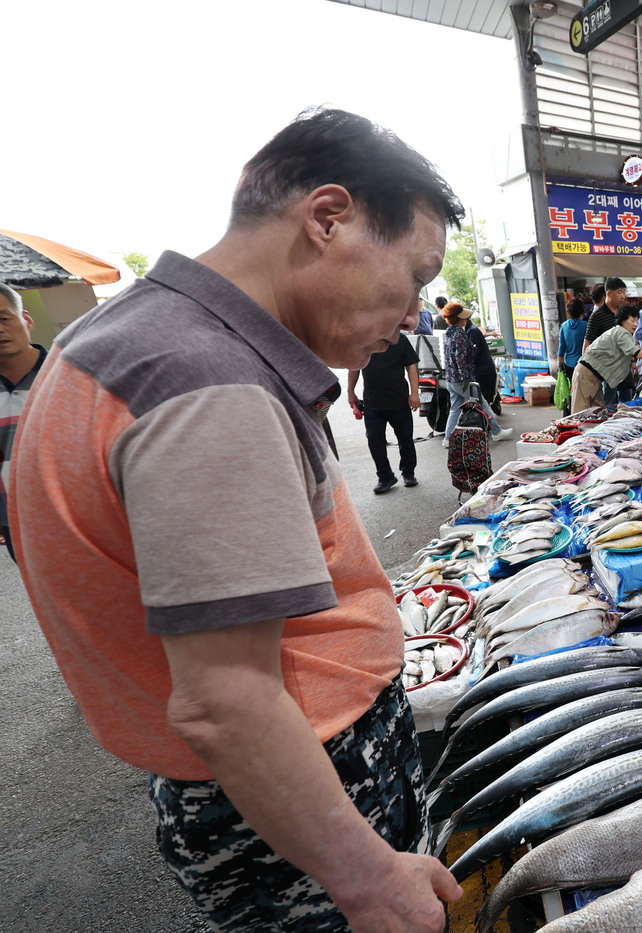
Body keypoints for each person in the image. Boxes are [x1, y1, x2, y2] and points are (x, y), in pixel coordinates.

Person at [8, 108, 463, 932]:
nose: (414, 316)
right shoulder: (210, 384)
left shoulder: (127, 336)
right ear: (329, 218)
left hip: (264, 786)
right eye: (418, 277)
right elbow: (227, 702)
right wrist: (366, 878)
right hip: (300, 790)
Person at [0, 284, 46, 563]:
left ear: (26, 319)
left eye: (3, 318)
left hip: (84, 513)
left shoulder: (71, 374)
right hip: (15, 520)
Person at [348, 332, 421, 494]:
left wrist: (414, 393)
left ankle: (408, 472)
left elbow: (411, 366)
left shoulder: (399, 339)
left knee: (405, 438)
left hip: (399, 400)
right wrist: (350, 392)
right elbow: (354, 367)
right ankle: (385, 476)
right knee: (374, 440)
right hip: (372, 402)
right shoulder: (362, 340)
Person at [571, 304, 642, 412]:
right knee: (579, 413)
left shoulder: (621, 333)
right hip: (587, 374)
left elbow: (627, 351)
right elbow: (639, 354)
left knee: (593, 413)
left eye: (637, 321)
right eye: (632, 321)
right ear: (622, 320)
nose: (635, 324)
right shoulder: (622, 332)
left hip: (595, 377)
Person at [441, 301, 508, 445]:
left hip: (451, 378)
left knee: (455, 408)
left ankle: (448, 438)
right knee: (481, 403)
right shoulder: (460, 334)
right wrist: (466, 378)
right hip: (462, 379)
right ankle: (496, 431)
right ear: (458, 318)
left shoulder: (448, 332)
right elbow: (460, 358)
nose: (466, 319)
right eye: (463, 317)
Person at [557, 299, 587, 413]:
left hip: (568, 364)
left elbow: (561, 346)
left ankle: (567, 411)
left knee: (571, 389)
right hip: (582, 364)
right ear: (582, 311)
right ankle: (578, 412)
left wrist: (559, 363)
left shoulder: (564, 326)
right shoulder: (586, 325)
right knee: (581, 391)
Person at [581, 276, 626, 353]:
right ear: (608, 294)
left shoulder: (622, 313)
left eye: (624, 292)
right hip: (604, 363)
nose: (623, 296)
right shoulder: (597, 315)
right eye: (619, 292)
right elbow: (587, 344)